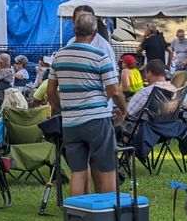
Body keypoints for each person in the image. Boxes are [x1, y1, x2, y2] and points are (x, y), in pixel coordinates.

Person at [47, 13, 128, 197]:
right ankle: (108, 212)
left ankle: (78, 214)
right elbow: (114, 90)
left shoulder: (59, 56)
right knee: (107, 167)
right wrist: (123, 110)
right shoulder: (99, 55)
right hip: (96, 120)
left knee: (78, 171)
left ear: (75, 30)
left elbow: (51, 91)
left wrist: (64, 108)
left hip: (70, 123)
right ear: (94, 31)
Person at [121, 59, 177, 136]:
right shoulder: (174, 90)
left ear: (149, 73)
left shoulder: (146, 92)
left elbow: (127, 112)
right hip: (166, 129)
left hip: (143, 130)